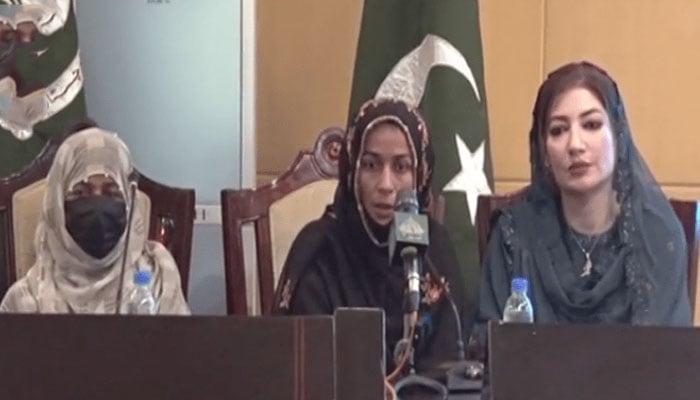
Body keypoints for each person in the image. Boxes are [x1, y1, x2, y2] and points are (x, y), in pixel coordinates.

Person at [475, 61, 691, 338]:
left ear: (618, 134)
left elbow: (670, 360)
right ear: (543, 150)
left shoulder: (657, 235)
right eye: (558, 130)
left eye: (591, 124)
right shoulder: (513, 233)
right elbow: (488, 349)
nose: (575, 144)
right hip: (535, 383)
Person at [272, 98, 468, 373]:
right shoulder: (319, 251)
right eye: (371, 166)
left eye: (401, 167)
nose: (385, 185)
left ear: (420, 176)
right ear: (353, 172)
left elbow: (450, 363)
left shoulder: (434, 248)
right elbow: (302, 367)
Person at [0, 125, 190, 315]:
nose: (97, 205)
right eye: (80, 193)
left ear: (129, 202)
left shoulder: (157, 280)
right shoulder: (27, 299)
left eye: (111, 192)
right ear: (57, 206)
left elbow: (182, 343)